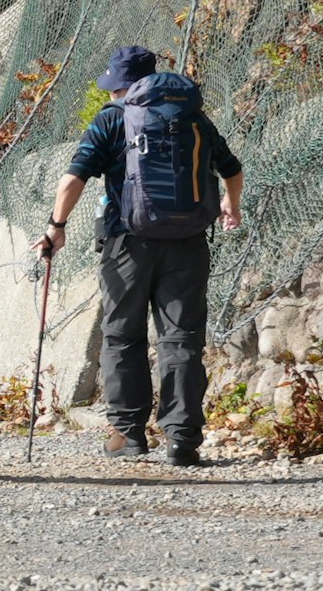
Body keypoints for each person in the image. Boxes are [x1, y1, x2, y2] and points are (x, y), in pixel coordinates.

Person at [43, 46, 246, 465]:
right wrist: (231, 205)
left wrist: (56, 228)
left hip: (127, 243)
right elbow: (232, 168)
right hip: (189, 241)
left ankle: (128, 435)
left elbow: (72, 181)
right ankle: (183, 441)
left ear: (120, 84)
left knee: (122, 335)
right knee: (182, 339)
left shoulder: (112, 119)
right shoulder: (192, 117)